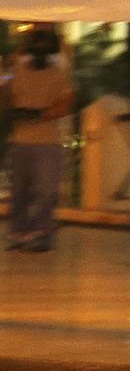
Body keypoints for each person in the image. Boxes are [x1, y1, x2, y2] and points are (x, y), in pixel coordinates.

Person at [2, 25, 74, 252]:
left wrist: (39, 114)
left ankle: (42, 233)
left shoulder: (58, 74)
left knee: (46, 191)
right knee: (20, 192)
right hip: (20, 141)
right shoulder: (18, 72)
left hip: (47, 142)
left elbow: (66, 101)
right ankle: (19, 232)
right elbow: (7, 93)